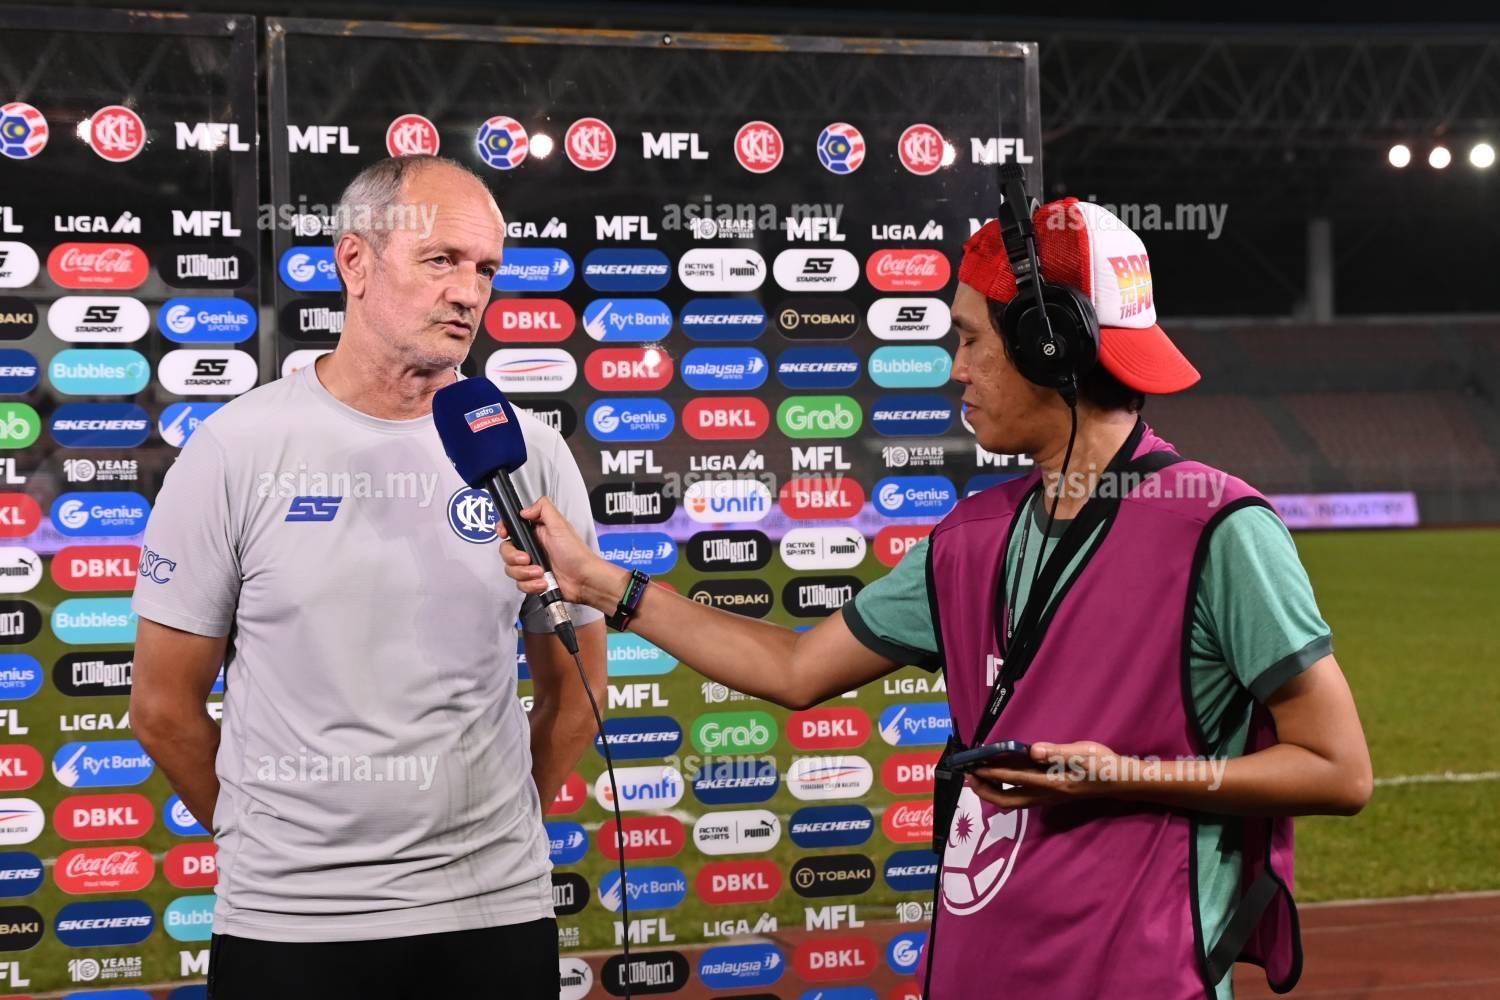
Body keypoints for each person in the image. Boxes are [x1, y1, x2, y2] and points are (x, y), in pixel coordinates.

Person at [502, 196, 1372, 999]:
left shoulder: (1218, 529)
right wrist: (596, 580)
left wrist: (1120, 776)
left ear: (1048, 345)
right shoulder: (971, 535)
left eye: (970, 339)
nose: (955, 369)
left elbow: (1339, 770)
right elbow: (795, 668)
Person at [130, 155, 606, 1000]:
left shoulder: (528, 452)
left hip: (495, 912)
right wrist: (270, 847)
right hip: (291, 924)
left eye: (485, 269)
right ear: (355, 262)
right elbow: (164, 707)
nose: (468, 292)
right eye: (441, 259)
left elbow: (576, 690)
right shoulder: (236, 449)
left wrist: (496, 837)